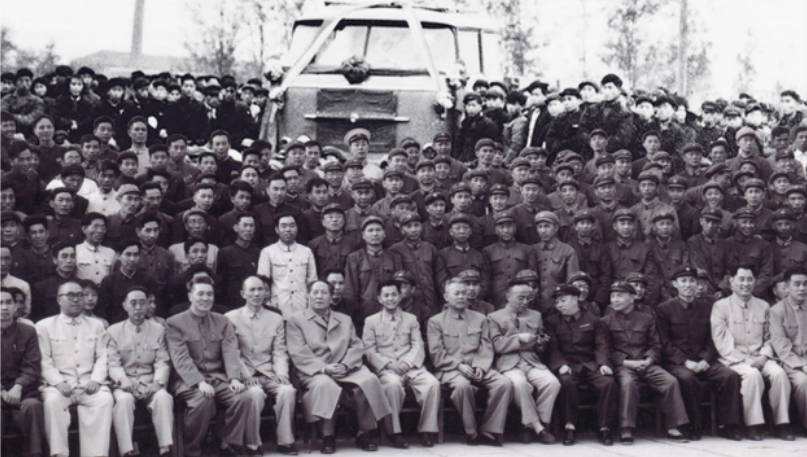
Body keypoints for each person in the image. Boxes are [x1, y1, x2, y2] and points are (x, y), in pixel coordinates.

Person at [285, 280, 391, 453]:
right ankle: (328, 436)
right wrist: (324, 368)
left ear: (331, 297)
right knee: (326, 385)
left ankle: (364, 433)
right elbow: (298, 352)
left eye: (324, 293)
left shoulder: (344, 319)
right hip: (315, 371)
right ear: (308, 296)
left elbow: (356, 346)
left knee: (368, 380)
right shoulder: (295, 321)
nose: (319, 296)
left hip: (345, 368)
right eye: (315, 292)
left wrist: (345, 365)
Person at [165, 276, 261, 457]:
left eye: (209, 294)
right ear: (190, 296)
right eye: (200, 294)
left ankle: (228, 444)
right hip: (188, 382)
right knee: (203, 400)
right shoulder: (174, 323)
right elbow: (181, 359)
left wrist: (233, 378)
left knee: (244, 397)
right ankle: (192, 449)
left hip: (219, 378)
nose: (205, 298)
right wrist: (198, 382)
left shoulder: (222, 321)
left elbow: (230, 352)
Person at [656, 266, 743, 440]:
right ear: (675, 284)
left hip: (705, 359)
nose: (688, 285)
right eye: (684, 281)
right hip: (678, 362)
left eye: (692, 281)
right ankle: (694, 425)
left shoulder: (708, 307)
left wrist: (706, 358)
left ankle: (728, 425)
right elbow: (664, 343)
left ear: (697, 284)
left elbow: (713, 338)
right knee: (688, 379)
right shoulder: (664, 309)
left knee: (729, 376)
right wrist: (685, 361)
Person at [710, 264, 796, 440]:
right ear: (731, 281)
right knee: (752, 376)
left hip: (761, 356)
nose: (745, 283)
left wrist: (764, 356)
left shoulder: (763, 306)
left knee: (779, 374)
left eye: (750, 279)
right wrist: (746, 361)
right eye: (741, 279)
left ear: (755, 282)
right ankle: (753, 424)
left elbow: (770, 336)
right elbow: (722, 342)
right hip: (734, 358)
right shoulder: (720, 306)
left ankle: (782, 424)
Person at [599, 281, 689, 443]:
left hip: (646, 363)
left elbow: (655, 344)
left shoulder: (647, 319)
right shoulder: (606, 321)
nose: (615, 300)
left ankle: (673, 426)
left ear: (632, 298)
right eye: (613, 296)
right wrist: (626, 363)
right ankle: (626, 428)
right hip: (623, 366)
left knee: (670, 381)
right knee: (628, 384)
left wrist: (648, 360)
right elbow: (605, 350)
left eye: (620, 296)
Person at [427, 278, 512, 445]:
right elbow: (436, 353)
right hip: (450, 369)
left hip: (478, 366)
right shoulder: (435, 322)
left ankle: (490, 430)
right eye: (456, 293)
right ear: (446, 297)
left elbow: (486, 345)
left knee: (503, 383)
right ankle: (471, 432)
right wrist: (458, 366)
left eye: (464, 293)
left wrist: (481, 365)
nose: (461, 297)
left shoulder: (480, 318)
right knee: (462, 387)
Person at [37, 279, 114, 457]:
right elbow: (44, 360)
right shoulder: (44, 326)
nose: (77, 300)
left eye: (80, 295)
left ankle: (95, 454)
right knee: (52, 402)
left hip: (89, 383)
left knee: (104, 400)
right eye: (70, 296)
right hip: (60, 386)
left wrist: (96, 379)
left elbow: (103, 356)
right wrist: (58, 382)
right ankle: (59, 453)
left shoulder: (97, 325)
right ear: (59, 300)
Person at [362, 279, 441, 447]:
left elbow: (418, 344)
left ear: (400, 297)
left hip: (411, 366)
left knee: (432, 384)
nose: (390, 299)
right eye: (386, 295)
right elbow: (369, 349)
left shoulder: (411, 319)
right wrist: (389, 365)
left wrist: (407, 363)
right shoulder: (371, 321)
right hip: (387, 368)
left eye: (394, 295)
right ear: (379, 298)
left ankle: (426, 430)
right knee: (392, 386)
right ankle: (394, 432)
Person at [225, 276, 298, 455]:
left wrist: (282, 373)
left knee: (288, 391)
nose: (257, 294)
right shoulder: (230, 318)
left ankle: (285, 441)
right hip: (246, 374)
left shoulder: (276, 319)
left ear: (266, 293)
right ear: (243, 294)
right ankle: (253, 444)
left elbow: (279, 350)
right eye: (252, 290)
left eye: (260, 289)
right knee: (255, 394)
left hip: (269, 372)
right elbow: (233, 352)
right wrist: (245, 376)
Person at [488, 282, 560, 444]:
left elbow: (540, 345)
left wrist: (542, 343)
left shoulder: (536, 315)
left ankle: (531, 425)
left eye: (529, 298)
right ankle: (538, 428)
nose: (525, 302)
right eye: (521, 298)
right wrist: (518, 339)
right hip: (508, 363)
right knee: (519, 383)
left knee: (552, 382)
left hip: (532, 361)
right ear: (508, 296)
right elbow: (496, 346)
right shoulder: (494, 317)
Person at [545, 283, 616, 445]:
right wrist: (560, 364)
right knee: (566, 382)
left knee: (607, 383)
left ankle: (604, 427)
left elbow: (601, 344)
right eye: (557, 302)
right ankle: (569, 427)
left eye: (563, 300)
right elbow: (553, 348)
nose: (559, 305)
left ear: (576, 299)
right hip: (568, 364)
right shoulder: (552, 321)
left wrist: (603, 363)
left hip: (590, 364)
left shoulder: (593, 320)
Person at [107, 286, 174, 457]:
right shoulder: (113, 331)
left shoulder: (158, 329)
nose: (138, 308)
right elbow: (113, 363)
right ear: (124, 305)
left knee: (163, 398)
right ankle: (127, 451)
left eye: (142, 303)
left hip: (149, 381)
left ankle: (165, 448)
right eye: (133, 303)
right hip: (125, 383)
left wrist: (158, 383)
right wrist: (124, 381)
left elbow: (162, 360)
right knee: (124, 402)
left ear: (148, 306)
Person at [1, 287, 46, 457]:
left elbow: (32, 366)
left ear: (15, 307)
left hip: (23, 392)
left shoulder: (27, 332)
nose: (4, 308)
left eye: (8, 303)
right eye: (0, 303)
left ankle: (34, 453)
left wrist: (18, 386)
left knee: (33, 407)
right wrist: (2, 391)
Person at [769, 266, 807, 435]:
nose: (802, 288)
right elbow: (781, 346)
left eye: (805, 284)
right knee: (803, 383)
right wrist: (803, 365)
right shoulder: (777, 311)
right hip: (789, 362)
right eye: (797, 284)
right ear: (786, 286)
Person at [256, 213, 317, 316]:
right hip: (277, 306)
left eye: (292, 225)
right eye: (283, 226)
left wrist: (310, 305)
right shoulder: (267, 252)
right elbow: (263, 284)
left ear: (297, 228)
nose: (288, 229)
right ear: (277, 229)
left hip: (303, 305)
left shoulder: (306, 251)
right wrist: (268, 306)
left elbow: (312, 281)